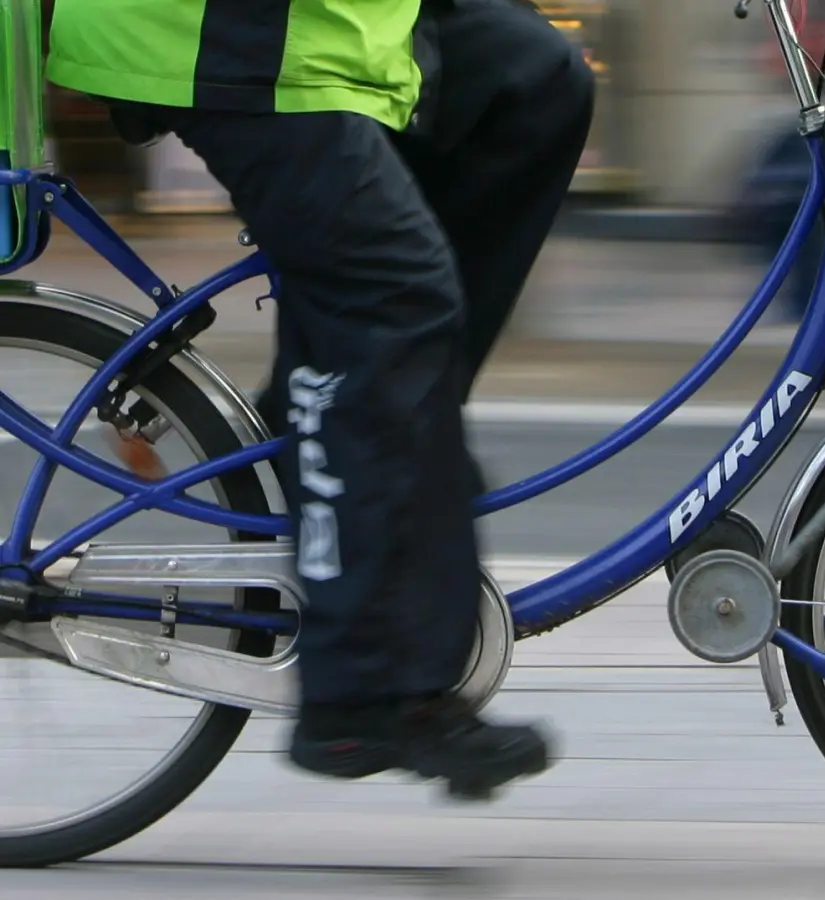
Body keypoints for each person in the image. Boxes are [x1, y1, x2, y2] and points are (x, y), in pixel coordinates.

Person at [43, 0, 595, 799]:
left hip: (333, 26)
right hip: (219, 33)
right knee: (392, 295)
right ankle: (360, 694)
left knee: (538, 82)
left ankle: (364, 427)